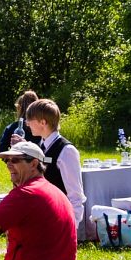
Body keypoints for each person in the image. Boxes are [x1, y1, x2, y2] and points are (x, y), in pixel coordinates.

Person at [24, 99, 86, 239]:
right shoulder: (41, 145)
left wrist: (71, 229)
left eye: (30, 119)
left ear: (43, 122)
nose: (27, 123)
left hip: (60, 220)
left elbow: (75, 195)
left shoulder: (67, 151)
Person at [0, 90, 38, 155]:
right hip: (39, 164)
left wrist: (12, 161)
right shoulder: (42, 128)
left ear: (19, 108)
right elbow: (48, 158)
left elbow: (1, 151)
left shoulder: (11, 127)